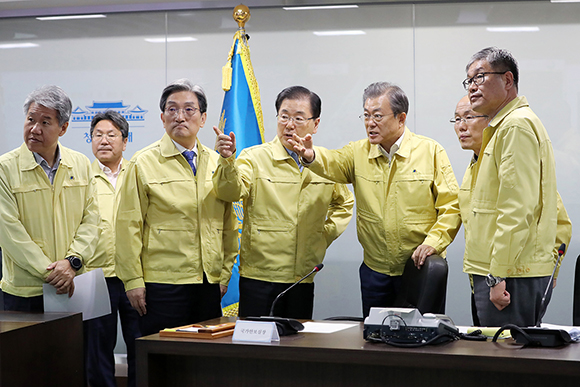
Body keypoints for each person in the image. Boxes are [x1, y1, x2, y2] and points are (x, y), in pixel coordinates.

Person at [290, 82, 461, 318]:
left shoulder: (430, 151)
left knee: (422, 341)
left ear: (401, 118)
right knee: (376, 340)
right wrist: (311, 156)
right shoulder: (357, 152)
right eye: (366, 115)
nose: (370, 123)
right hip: (375, 271)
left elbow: (451, 206)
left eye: (378, 116)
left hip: (419, 268)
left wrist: (435, 241)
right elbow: (333, 161)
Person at [213, 86, 354, 319]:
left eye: (298, 118)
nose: (289, 124)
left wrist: (322, 235)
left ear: (315, 124)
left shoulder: (324, 163)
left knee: (296, 348)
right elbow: (230, 192)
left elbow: (344, 204)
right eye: (284, 116)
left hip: (302, 276)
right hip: (260, 275)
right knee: (257, 349)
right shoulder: (254, 157)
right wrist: (227, 161)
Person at [115, 79, 237, 336]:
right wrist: (133, 281)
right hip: (162, 283)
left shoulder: (218, 162)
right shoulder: (143, 162)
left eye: (189, 109)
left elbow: (228, 224)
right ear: (162, 117)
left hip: (207, 282)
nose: (180, 116)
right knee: (162, 361)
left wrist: (224, 274)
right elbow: (127, 226)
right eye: (172, 109)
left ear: (203, 118)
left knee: (203, 361)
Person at [460, 47, 564, 327]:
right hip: (503, 271)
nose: (472, 87)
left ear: (507, 80)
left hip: (510, 274)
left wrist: (498, 274)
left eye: (480, 77)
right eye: (468, 80)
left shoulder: (514, 126)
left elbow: (517, 209)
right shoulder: (501, 128)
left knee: (505, 361)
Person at [0, 85, 99, 312]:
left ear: (63, 128)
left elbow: (92, 220)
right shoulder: (5, 168)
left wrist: (73, 262)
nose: (34, 129)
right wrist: (54, 273)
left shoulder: (81, 163)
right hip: (25, 290)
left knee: (73, 348)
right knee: (25, 348)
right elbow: (9, 232)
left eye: (45, 122)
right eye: (30, 119)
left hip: (74, 284)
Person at [85, 111, 140, 387]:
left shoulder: (139, 173)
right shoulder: (80, 176)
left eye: (111, 135)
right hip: (95, 277)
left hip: (135, 277)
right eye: (97, 135)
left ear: (125, 141)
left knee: (139, 346)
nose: (104, 141)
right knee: (97, 350)